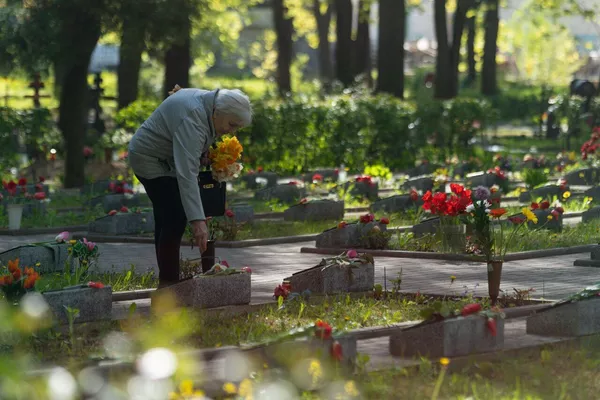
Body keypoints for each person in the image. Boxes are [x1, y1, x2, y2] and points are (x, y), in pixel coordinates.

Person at [128, 85, 252, 288]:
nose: (231, 131)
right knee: (174, 216)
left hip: (164, 160)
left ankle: (168, 283)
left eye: (236, 127)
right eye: (231, 124)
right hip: (149, 160)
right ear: (218, 112)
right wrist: (198, 222)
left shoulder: (209, 103)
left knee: (168, 216)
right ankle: (169, 285)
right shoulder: (194, 119)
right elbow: (187, 174)